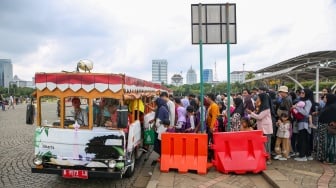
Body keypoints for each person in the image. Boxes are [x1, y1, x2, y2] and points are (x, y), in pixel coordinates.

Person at [247, 93, 273, 165]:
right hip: (262, 128)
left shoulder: (266, 108)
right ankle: (265, 157)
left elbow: (259, 117)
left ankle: (269, 159)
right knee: (263, 145)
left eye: (258, 98)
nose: (257, 99)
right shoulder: (262, 107)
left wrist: (251, 113)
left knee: (267, 145)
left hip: (266, 129)